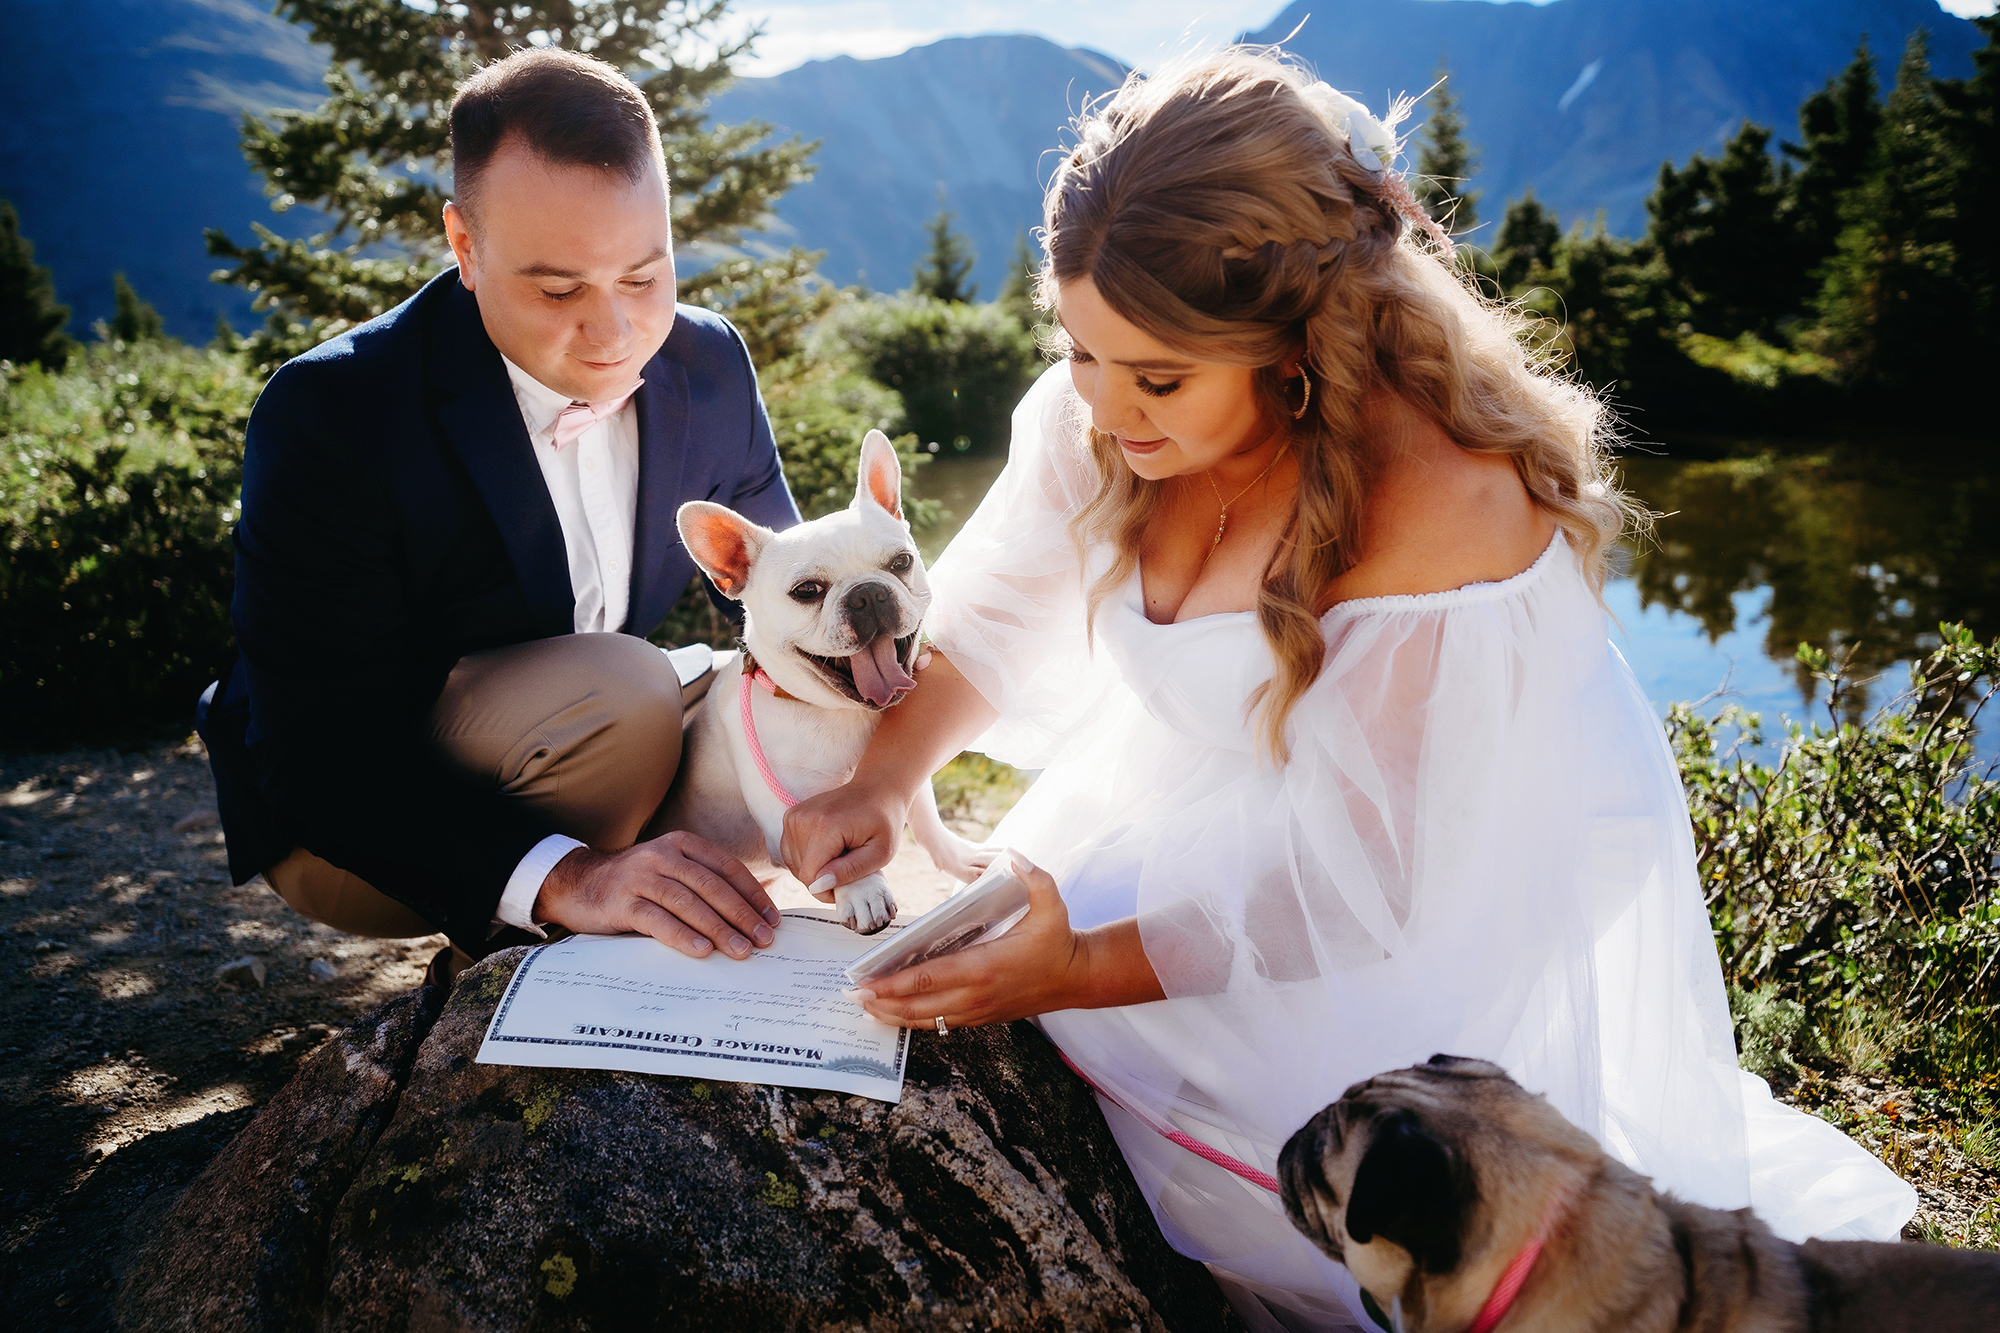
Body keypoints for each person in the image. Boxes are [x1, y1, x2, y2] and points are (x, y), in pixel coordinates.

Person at [781, 52, 1917, 1331]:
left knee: (1341, 1211)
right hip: (1191, 807)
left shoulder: (1448, 500)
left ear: (1295, 343)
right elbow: (993, 614)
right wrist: (882, 780)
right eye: (1076, 351)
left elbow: (1369, 876)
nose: (1102, 406)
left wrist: (1072, 969)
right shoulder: (1102, 402)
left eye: (1155, 378)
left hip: (1385, 905)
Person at [197, 48, 791, 983]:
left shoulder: (709, 365)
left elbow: (784, 594)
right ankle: (542, 948)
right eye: (558, 290)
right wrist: (574, 877)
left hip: (583, 738)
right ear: (464, 249)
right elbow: (317, 760)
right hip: (355, 823)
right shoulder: (334, 412)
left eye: (644, 275)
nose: (614, 332)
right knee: (631, 695)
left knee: (763, 689)